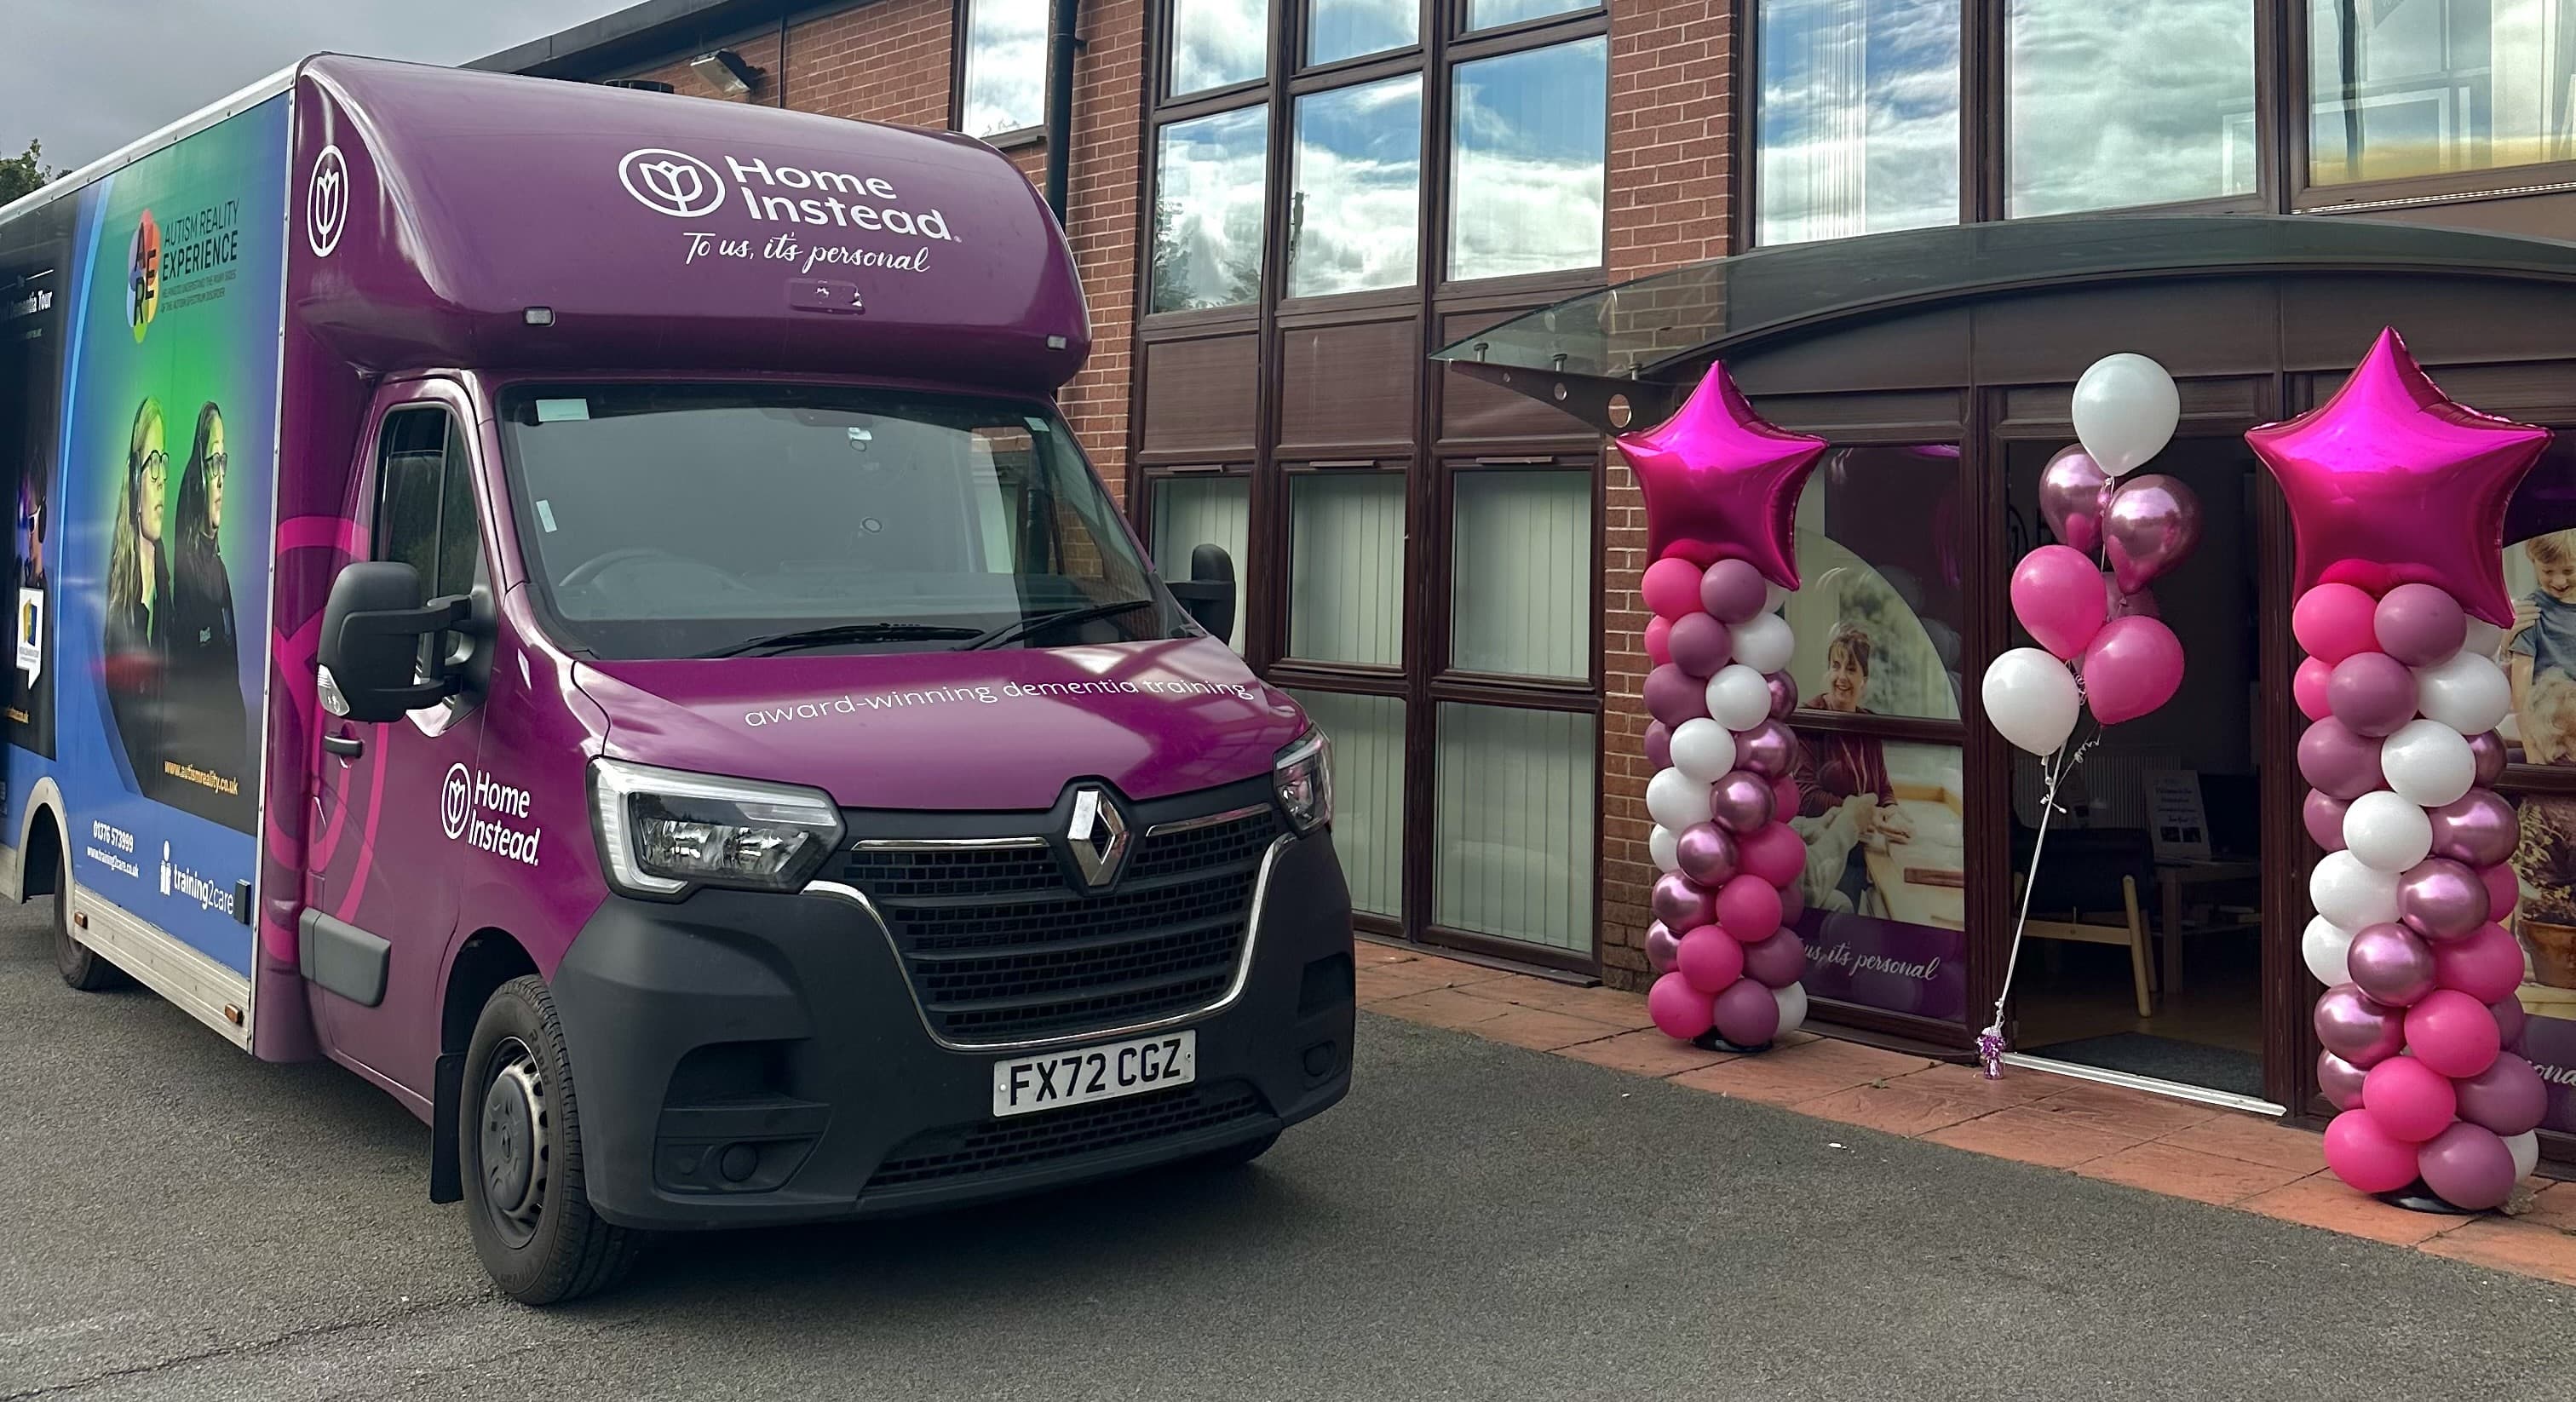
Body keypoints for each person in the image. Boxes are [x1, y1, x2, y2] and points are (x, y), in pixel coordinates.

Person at [164, 401, 250, 826]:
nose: (220, 477)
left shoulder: (220, 572)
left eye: (224, 462)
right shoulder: (186, 573)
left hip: (225, 764)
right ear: (198, 472)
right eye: (213, 461)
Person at [1791, 622, 1915, 912]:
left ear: (1864, 680)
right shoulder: (1810, 719)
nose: (1841, 677)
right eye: (1835, 667)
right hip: (1824, 852)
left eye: (1851, 669)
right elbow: (1806, 796)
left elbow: (1883, 787)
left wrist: (1892, 811)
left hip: (1864, 848)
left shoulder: (1868, 722)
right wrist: (1860, 813)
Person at [104, 399, 171, 789]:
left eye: (165, 461)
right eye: (152, 464)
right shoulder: (116, 604)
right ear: (134, 481)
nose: (162, 480)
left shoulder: (169, 593)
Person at [2510, 531, 2576, 763]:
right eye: (2548, 571)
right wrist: (2530, 745)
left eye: (2568, 571)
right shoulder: (2531, 613)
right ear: (2533, 562)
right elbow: (2521, 687)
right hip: (2551, 728)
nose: (2559, 582)